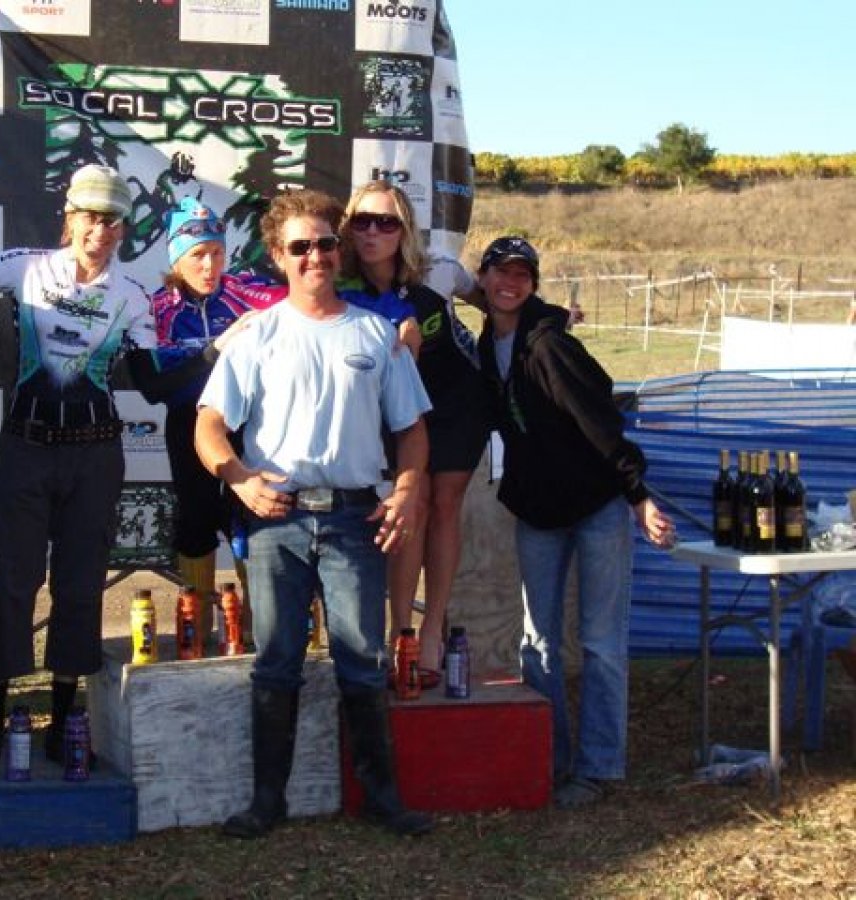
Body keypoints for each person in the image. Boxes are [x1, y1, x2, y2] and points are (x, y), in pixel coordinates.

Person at [196, 188, 435, 838]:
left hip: (357, 519)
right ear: (278, 256)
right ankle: (266, 803)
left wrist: (409, 491)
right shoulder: (257, 336)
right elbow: (210, 428)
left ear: (340, 247)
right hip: (277, 520)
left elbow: (412, 430)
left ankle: (382, 800)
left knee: (362, 660)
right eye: (299, 246)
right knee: (276, 660)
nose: (315, 256)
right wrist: (241, 481)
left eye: (326, 243)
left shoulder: (374, 333)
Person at [475, 235, 675, 810]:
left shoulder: (549, 347)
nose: (510, 283)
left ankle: (600, 763)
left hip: (596, 507)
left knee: (601, 641)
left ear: (533, 284)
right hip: (537, 510)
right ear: (484, 279)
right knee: (537, 641)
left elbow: (600, 419)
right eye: (500, 273)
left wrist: (637, 495)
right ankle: (549, 758)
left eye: (522, 275)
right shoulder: (491, 342)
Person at [0, 164, 156, 768]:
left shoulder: (132, 295)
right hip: (24, 447)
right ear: (69, 218)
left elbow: (154, 380)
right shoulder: (25, 266)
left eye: (111, 221)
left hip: (95, 454)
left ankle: (64, 714)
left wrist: (218, 352)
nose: (98, 231)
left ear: (123, 230)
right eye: (89, 217)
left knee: (79, 586)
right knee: (11, 583)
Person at [338, 180, 489, 685]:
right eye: (363, 221)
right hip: (399, 410)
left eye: (386, 222)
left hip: (456, 402)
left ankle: (431, 634)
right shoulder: (342, 283)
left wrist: (531, 325)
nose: (374, 231)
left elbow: (492, 297)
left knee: (444, 507)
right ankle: (399, 632)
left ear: (405, 230)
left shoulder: (439, 270)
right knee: (412, 507)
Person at [129, 197, 282, 638]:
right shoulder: (155, 308)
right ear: (176, 258)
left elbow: (313, 295)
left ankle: (254, 626)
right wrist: (216, 350)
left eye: (216, 252)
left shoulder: (247, 291)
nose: (209, 264)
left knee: (245, 517)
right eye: (197, 254)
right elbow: (152, 388)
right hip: (188, 422)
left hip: (246, 424)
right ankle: (193, 628)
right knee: (195, 518)